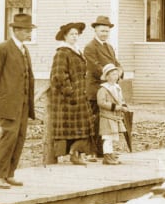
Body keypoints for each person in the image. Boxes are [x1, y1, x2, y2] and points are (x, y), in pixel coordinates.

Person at [0, 13, 36, 189]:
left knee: (20, 138)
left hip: (23, 104)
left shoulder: (24, 49)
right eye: (25, 30)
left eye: (29, 30)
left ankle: (10, 173)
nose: (28, 34)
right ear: (16, 30)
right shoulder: (2, 49)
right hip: (8, 103)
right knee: (8, 138)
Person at [48, 21, 93, 165]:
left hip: (79, 96)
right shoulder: (62, 52)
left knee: (83, 126)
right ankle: (68, 155)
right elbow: (59, 75)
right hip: (67, 99)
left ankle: (76, 153)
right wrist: (70, 92)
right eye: (71, 34)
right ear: (65, 36)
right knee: (71, 128)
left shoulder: (76, 50)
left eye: (76, 34)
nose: (74, 37)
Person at [84, 15, 122, 158]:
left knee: (106, 121)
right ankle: (91, 151)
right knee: (95, 120)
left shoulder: (109, 47)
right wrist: (112, 74)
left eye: (107, 31)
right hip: (96, 89)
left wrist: (119, 71)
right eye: (102, 31)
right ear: (95, 31)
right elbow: (95, 68)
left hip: (109, 89)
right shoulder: (90, 47)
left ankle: (104, 151)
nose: (104, 34)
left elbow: (116, 63)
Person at [96, 64, 129, 163]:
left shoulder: (117, 88)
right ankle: (106, 156)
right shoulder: (103, 89)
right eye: (113, 74)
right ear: (107, 76)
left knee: (112, 136)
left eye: (116, 74)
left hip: (114, 117)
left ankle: (110, 154)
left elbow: (121, 99)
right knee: (107, 137)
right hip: (107, 117)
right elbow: (101, 102)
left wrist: (124, 106)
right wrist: (115, 107)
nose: (116, 76)